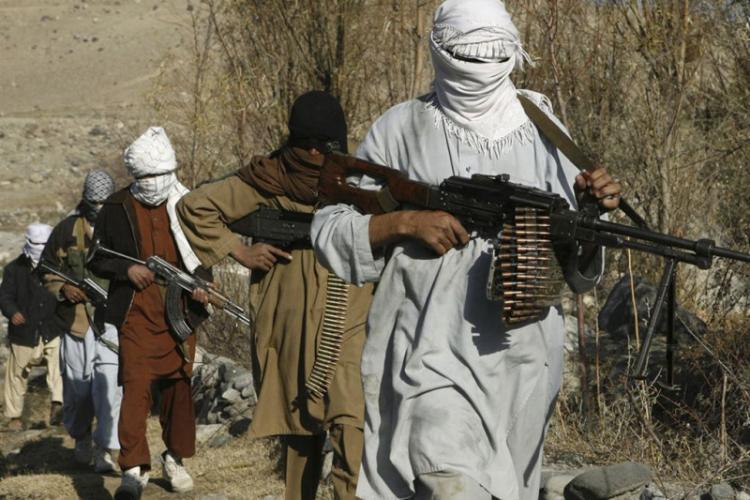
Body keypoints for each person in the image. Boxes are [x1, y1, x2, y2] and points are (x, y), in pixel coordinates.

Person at [310, 1, 622, 499]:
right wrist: (404, 223)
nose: (480, 68)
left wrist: (589, 215)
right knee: (448, 476)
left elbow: (576, 265)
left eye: (492, 55)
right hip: (427, 346)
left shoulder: (546, 131)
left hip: (522, 354)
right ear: (439, 50)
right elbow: (330, 228)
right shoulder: (401, 127)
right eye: (466, 55)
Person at [177, 91, 372, 500]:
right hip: (289, 308)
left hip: (346, 305)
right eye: (308, 145)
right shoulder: (270, 178)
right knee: (298, 421)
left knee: (351, 419)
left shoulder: (358, 179)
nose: (316, 155)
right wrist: (239, 250)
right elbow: (195, 206)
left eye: (325, 146)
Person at [88, 127, 211, 500]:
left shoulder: (187, 204)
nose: (156, 183)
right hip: (136, 316)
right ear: (136, 176)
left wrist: (203, 285)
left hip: (180, 316)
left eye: (161, 175)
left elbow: (203, 254)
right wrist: (127, 270)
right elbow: (97, 258)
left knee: (178, 391)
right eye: (148, 176)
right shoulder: (116, 208)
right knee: (135, 388)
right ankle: (133, 469)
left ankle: (175, 459)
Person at [40, 170, 120, 472]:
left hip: (111, 322)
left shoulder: (122, 228)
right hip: (76, 322)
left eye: (103, 202)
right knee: (79, 388)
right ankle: (82, 437)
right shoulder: (66, 230)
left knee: (109, 388)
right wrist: (64, 289)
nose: (98, 207)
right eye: (93, 202)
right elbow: (46, 269)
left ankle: (106, 448)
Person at [0, 223, 62, 430]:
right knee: (16, 373)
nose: (41, 248)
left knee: (59, 365)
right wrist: (12, 312)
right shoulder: (14, 269)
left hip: (52, 327)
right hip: (25, 330)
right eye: (36, 243)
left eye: (45, 243)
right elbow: (5, 296)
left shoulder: (58, 266)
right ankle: (14, 417)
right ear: (27, 242)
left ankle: (58, 405)